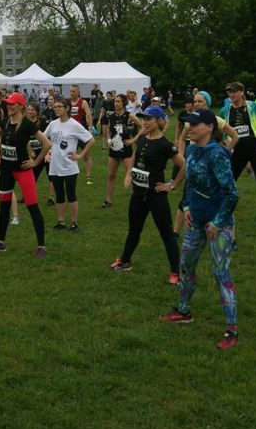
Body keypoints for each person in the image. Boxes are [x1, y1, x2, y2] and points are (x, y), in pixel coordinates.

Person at [161, 108, 240, 350]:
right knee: (186, 267)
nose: (189, 128)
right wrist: (186, 206)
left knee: (221, 274)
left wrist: (217, 222)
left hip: (218, 225)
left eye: (194, 124)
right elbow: (191, 183)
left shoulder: (218, 155)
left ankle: (231, 329)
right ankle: (183, 311)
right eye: (188, 124)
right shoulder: (193, 150)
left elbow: (231, 193)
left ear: (209, 127)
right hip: (195, 221)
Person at [109, 105, 186, 278]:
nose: (145, 122)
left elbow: (183, 166)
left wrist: (172, 185)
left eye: (148, 119)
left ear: (158, 121)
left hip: (156, 196)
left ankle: (175, 272)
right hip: (138, 195)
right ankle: (125, 261)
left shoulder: (165, 144)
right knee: (133, 230)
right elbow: (135, 156)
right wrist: (128, 174)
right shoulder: (143, 138)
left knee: (166, 234)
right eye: (143, 119)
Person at [0, 93, 51, 257]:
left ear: (21, 106)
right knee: (4, 207)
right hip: (6, 170)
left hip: (23, 171)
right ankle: (0, 243)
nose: (8, 106)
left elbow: (47, 144)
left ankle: (41, 247)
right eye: (7, 103)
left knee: (32, 207)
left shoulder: (27, 124)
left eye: (12, 104)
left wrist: (35, 162)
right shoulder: (6, 120)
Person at [220, 82, 256, 225]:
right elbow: (219, 128)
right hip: (237, 150)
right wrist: (225, 140)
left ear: (241, 92)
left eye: (234, 91)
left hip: (254, 147)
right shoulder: (225, 110)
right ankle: (224, 213)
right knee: (229, 181)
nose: (231, 94)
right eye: (229, 92)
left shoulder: (253, 106)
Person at [44, 97, 94, 232]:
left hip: (69, 167)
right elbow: (44, 139)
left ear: (67, 108)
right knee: (59, 195)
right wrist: (47, 153)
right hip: (55, 166)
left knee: (71, 195)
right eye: (55, 107)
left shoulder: (74, 125)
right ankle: (61, 222)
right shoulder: (53, 124)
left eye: (59, 106)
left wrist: (80, 155)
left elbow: (91, 140)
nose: (56, 109)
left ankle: (73, 223)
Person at [101, 94, 143, 209]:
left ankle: (136, 201)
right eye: (115, 101)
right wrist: (109, 139)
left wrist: (133, 139)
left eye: (118, 101)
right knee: (111, 175)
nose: (116, 104)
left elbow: (143, 127)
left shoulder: (130, 115)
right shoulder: (112, 116)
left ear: (124, 103)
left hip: (126, 150)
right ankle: (108, 201)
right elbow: (109, 130)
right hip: (114, 149)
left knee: (131, 175)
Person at [68, 85, 94, 184]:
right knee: (68, 154)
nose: (72, 93)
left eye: (74, 91)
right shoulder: (67, 103)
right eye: (71, 91)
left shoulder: (83, 102)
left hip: (81, 133)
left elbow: (89, 115)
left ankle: (88, 177)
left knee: (86, 155)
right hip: (70, 133)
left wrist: (90, 128)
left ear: (78, 92)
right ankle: (69, 174)